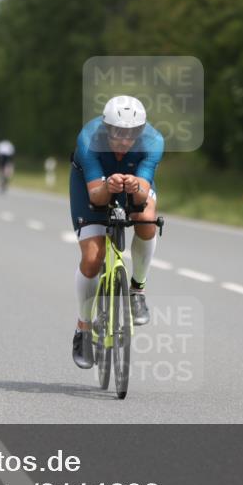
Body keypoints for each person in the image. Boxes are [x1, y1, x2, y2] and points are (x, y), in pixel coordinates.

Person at [70, 95, 163, 369]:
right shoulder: (89, 139)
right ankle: (83, 327)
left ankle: (137, 290)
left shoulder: (153, 141)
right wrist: (108, 186)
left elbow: (142, 196)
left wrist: (135, 187)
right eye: (118, 133)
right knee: (92, 259)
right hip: (93, 185)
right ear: (106, 127)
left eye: (132, 133)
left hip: (133, 180)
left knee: (146, 219)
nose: (125, 140)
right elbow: (96, 198)